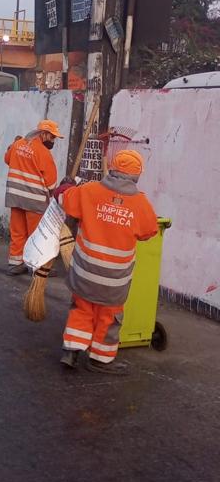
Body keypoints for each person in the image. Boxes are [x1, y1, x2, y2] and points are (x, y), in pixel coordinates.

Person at [57, 149, 158, 376]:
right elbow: (149, 231)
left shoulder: (89, 191)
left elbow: (64, 198)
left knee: (81, 309)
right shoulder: (141, 203)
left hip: (85, 273)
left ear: (112, 169)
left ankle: (71, 351)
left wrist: (65, 186)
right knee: (109, 317)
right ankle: (100, 359)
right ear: (136, 176)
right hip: (114, 280)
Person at [4, 119, 63, 275]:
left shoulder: (18, 144)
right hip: (34, 200)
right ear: (43, 134)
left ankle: (15, 264)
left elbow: (7, 159)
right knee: (37, 235)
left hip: (15, 197)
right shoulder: (43, 153)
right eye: (52, 137)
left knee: (18, 231)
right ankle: (39, 268)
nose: (53, 141)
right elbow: (51, 183)